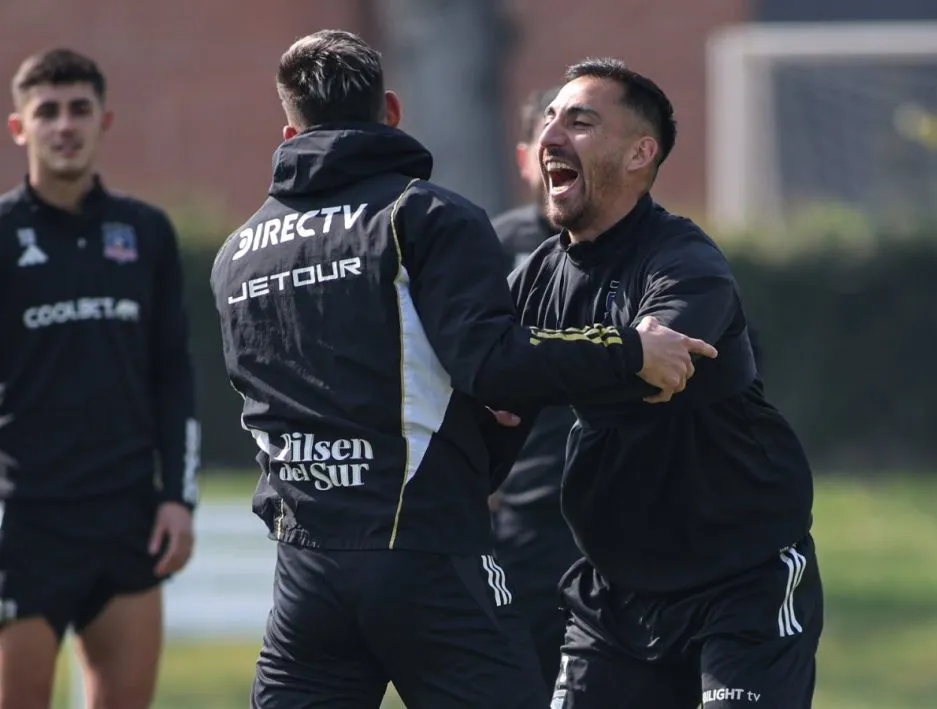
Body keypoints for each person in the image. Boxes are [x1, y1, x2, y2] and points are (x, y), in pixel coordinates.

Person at [209, 30, 716, 709]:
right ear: (390, 110)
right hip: (426, 553)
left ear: (288, 130)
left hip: (307, 570)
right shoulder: (423, 214)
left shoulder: (236, 252)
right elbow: (494, 364)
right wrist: (630, 352)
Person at [495, 58, 822, 709]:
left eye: (580, 120)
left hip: (741, 582)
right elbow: (489, 383)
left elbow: (663, 368)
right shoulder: (537, 274)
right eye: (551, 118)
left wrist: (528, 361)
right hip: (614, 594)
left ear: (641, 153)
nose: (553, 133)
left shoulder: (685, 260)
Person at [0, 49, 200, 709]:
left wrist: (178, 496)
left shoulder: (145, 233)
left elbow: (174, 374)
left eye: (79, 109)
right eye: (47, 111)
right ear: (19, 128)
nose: (65, 125)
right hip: (22, 523)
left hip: (125, 519)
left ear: (104, 119)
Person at [488, 85, 582, 692]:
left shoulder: (662, 254)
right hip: (519, 519)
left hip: (618, 518)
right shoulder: (486, 248)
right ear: (528, 158)